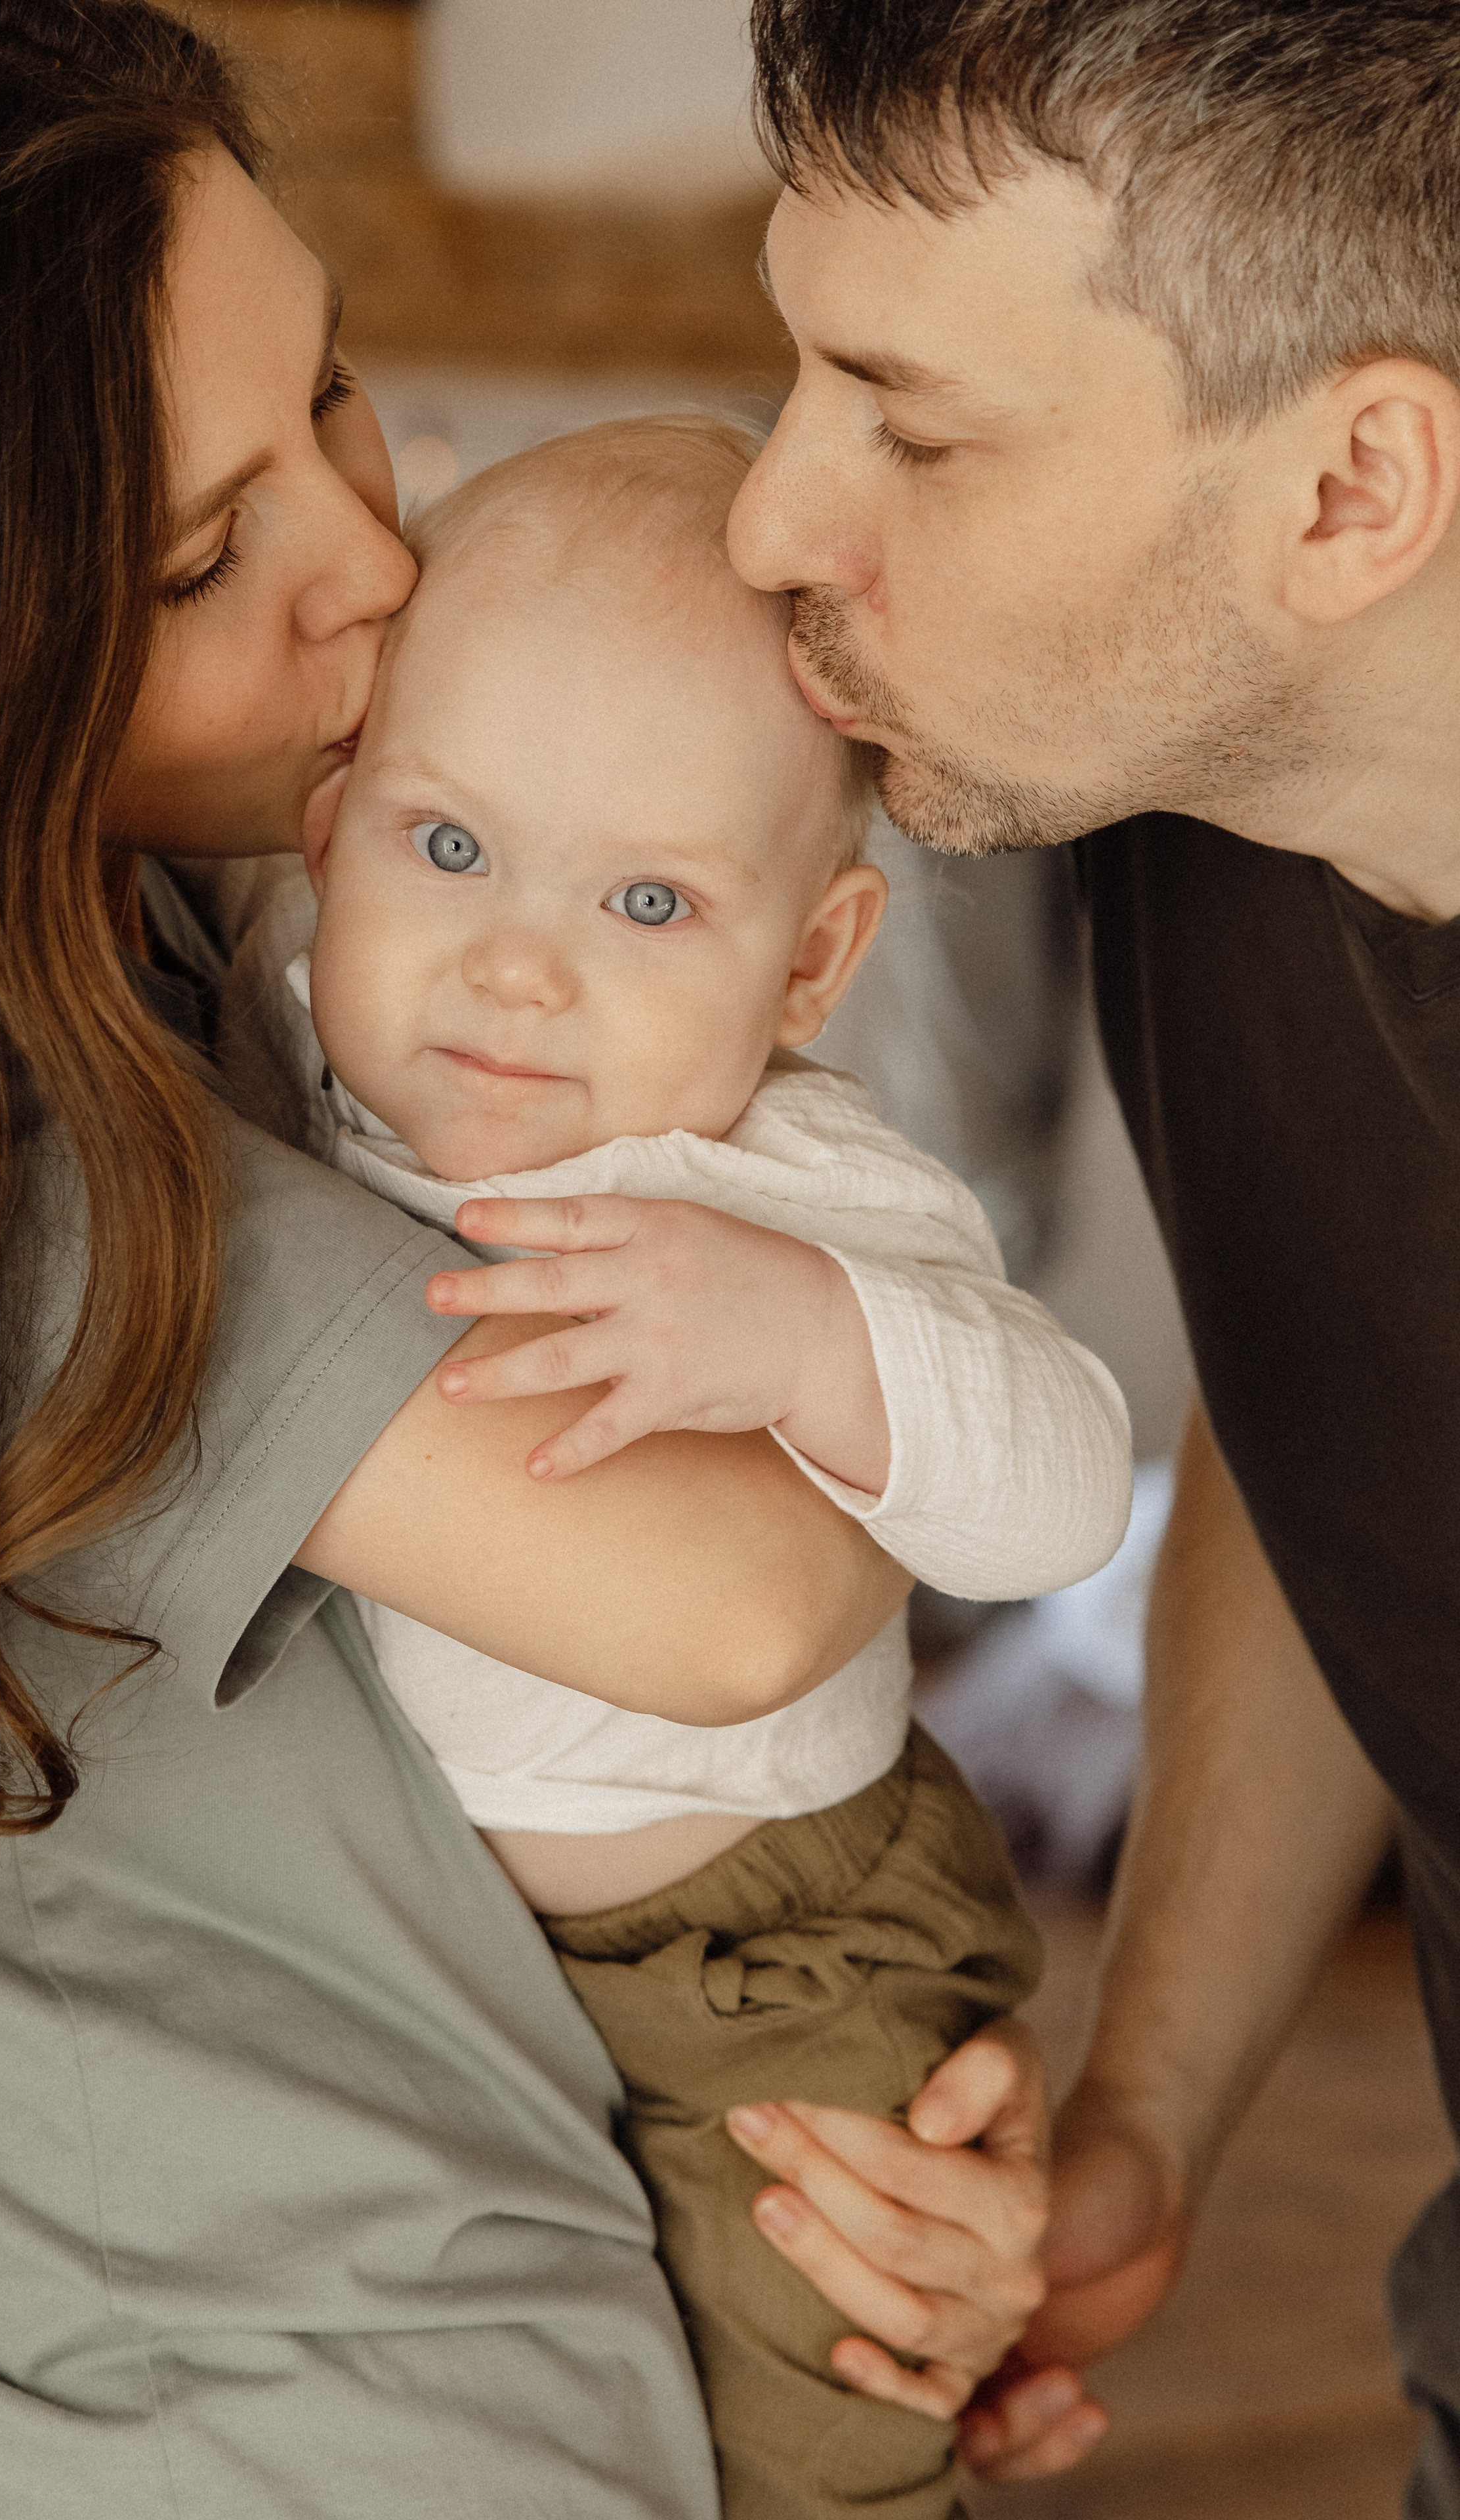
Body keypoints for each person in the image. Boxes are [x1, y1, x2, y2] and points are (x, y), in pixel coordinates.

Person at [0, 5, 1052, 2512]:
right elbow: (744, 1613)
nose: (376, 556)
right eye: (198, 552)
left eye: (335, 391)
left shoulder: (159, 942)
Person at [224, 411, 1133, 2520]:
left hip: (760, 1947)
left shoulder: (795, 1184)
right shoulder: (271, 1087)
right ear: (330, 823)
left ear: (809, 965)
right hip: (420, 1957)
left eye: (649, 899)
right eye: (448, 848)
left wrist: (811, 1345)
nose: (520, 964)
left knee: (826, 2391)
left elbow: (1068, 1495)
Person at [728, 0, 1460, 2506]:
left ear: (1355, 486)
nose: (774, 519)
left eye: (914, 425)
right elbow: (1361, 1405)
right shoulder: (1193, 782)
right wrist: (1143, 2112)